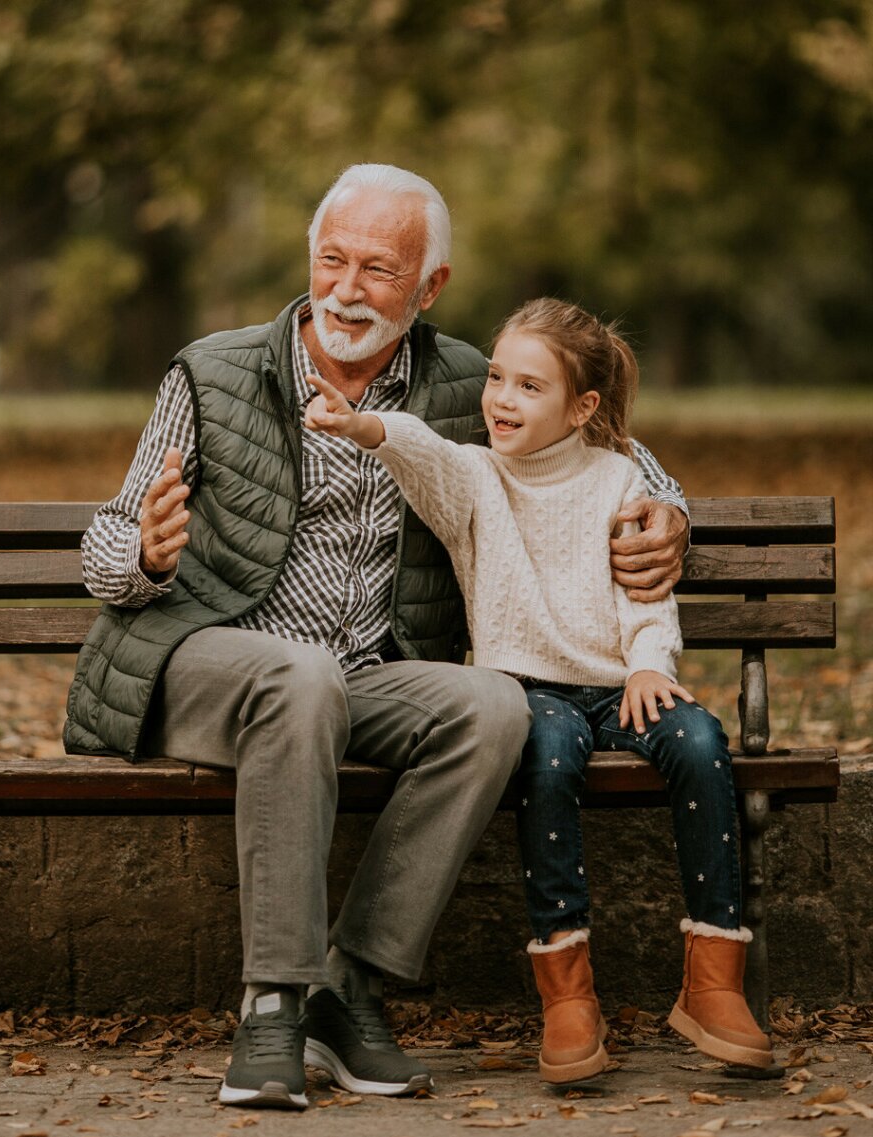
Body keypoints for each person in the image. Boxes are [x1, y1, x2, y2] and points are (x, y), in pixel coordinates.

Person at [64, 165, 690, 1110]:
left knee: (493, 704)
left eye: (380, 270)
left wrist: (670, 509)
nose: (348, 289)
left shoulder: (464, 381)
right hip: (209, 660)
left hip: (364, 677)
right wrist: (147, 556)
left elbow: (610, 448)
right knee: (298, 673)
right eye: (333, 261)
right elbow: (104, 547)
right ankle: (271, 998)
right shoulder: (214, 370)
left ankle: (346, 991)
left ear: (429, 286)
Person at [304, 295, 773, 1086]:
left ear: (581, 406)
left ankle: (713, 982)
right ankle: (567, 991)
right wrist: (365, 428)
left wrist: (653, 661)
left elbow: (645, 592)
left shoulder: (621, 477)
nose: (500, 399)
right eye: (496, 378)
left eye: (528, 386)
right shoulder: (476, 479)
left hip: (618, 682)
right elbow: (423, 449)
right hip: (525, 691)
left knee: (699, 740)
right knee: (546, 755)